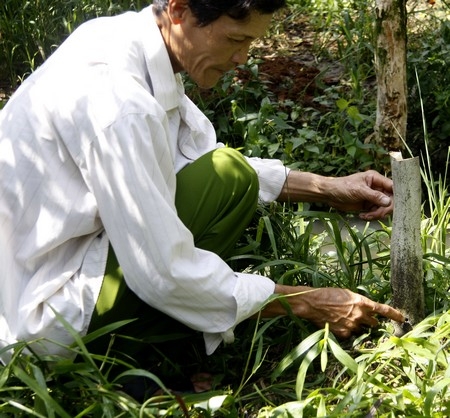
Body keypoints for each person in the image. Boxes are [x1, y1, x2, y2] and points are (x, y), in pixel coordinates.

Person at [0, 0, 404, 376]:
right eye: (235, 39)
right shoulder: (118, 101)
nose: (243, 58)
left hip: (45, 266)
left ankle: (154, 341)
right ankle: (119, 360)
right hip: (39, 323)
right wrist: (306, 302)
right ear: (179, 10)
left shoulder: (129, 42)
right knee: (225, 181)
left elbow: (192, 155)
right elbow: (161, 270)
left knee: (228, 176)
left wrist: (327, 188)